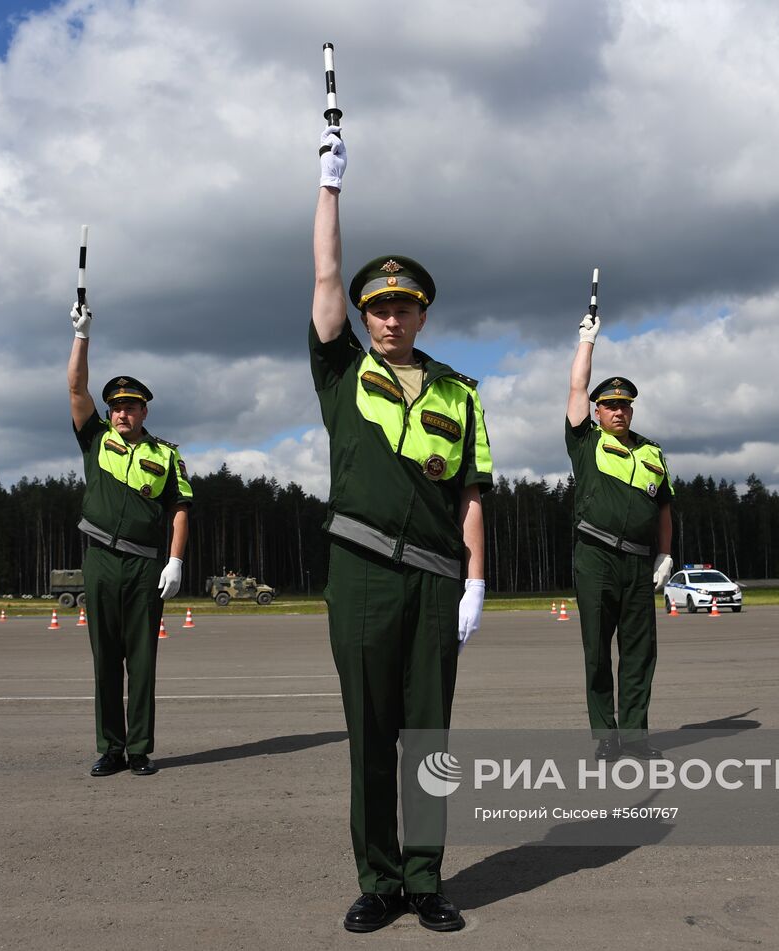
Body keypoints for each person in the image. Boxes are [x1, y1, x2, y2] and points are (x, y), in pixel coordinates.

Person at [311, 123, 492, 933]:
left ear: (422, 313)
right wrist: (329, 186)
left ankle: (426, 879)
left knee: (429, 737)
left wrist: (476, 579)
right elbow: (322, 273)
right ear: (364, 315)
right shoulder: (343, 369)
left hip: (433, 579)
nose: (389, 318)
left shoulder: (460, 392)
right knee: (370, 737)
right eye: (377, 307)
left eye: (402, 307)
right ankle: (377, 879)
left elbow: (473, 494)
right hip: (359, 574)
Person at [68, 300, 193, 778]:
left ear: (144, 410)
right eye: (116, 407)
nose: (122, 413)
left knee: (142, 661)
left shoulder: (167, 455)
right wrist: (82, 336)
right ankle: (110, 748)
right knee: (105, 662)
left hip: (145, 566)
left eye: (131, 406)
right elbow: (75, 386)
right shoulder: (95, 439)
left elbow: (180, 509)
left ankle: (139, 748)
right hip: (100, 560)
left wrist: (175, 561)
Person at [565, 312, 673, 761]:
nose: (618, 410)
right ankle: (604, 736)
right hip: (595, 558)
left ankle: (634, 736)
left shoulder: (652, 451)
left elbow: (664, 506)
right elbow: (575, 388)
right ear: (597, 411)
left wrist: (665, 556)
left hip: (638, 563)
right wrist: (588, 342)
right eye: (610, 405)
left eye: (625, 404)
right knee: (597, 652)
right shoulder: (586, 441)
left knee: (639, 653)